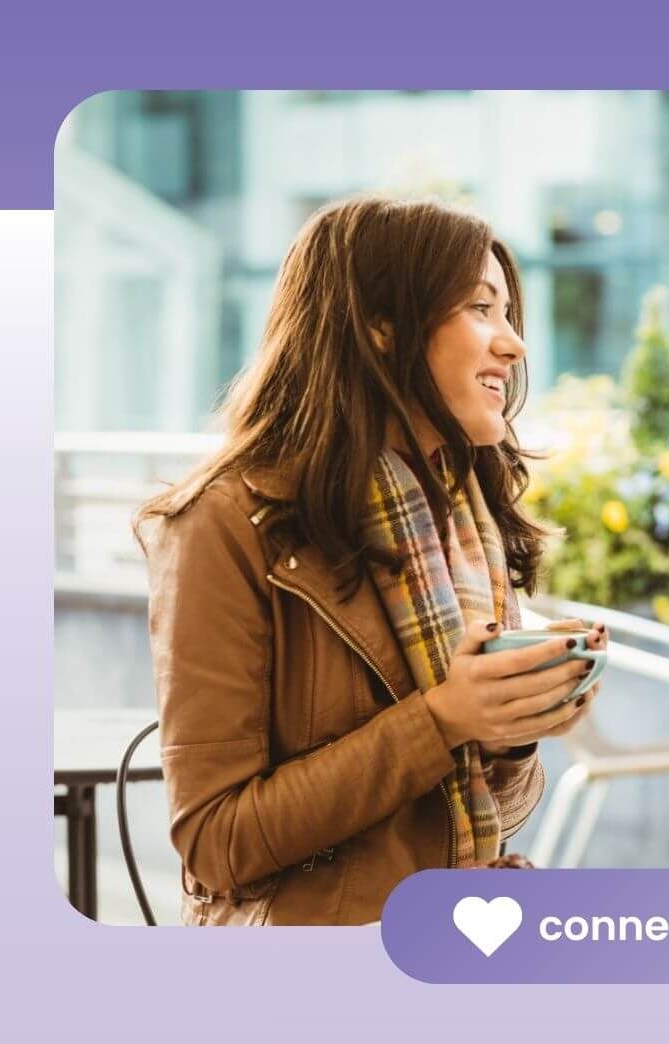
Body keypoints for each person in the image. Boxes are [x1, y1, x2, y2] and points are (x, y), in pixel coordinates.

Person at [135, 196, 603, 925]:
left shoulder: (461, 516)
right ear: (380, 328)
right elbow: (215, 845)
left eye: (509, 314)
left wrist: (512, 728)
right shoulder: (225, 523)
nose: (513, 346)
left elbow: (486, 809)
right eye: (481, 309)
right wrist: (443, 719)